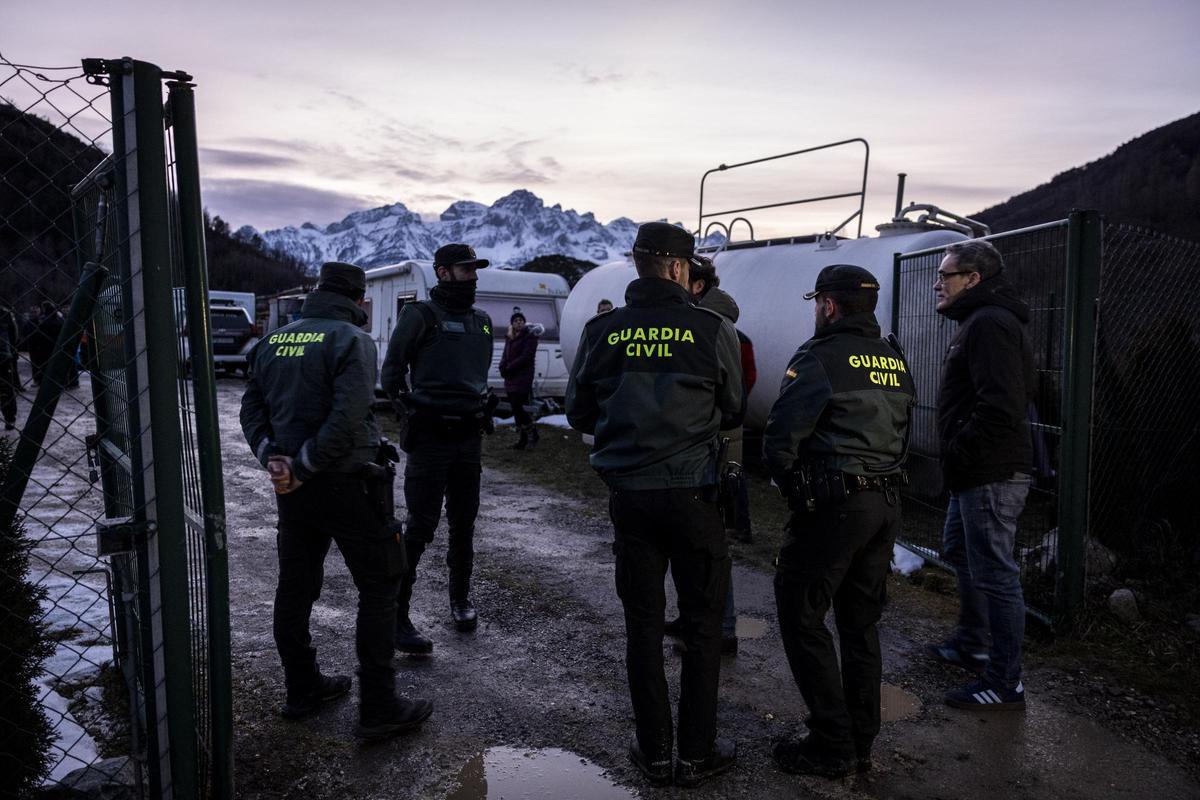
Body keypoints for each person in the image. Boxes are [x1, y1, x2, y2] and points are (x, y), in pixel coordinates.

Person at [566, 221, 744, 788]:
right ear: (676, 267)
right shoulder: (711, 328)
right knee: (701, 624)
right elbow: (734, 407)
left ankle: (654, 749)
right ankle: (696, 752)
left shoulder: (602, 331)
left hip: (632, 497)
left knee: (642, 625)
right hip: (694, 495)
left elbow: (579, 413)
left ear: (638, 264)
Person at [239, 261, 432, 740]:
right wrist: (304, 464)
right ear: (357, 297)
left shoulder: (273, 340)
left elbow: (252, 408)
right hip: (349, 483)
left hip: (294, 491)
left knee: (297, 586)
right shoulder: (352, 340)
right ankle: (379, 706)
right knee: (381, 584)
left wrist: (275, 460)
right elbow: (347, 416)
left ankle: (303, 689)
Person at [763, 264, 914, 778]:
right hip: (886, 505)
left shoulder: (821, 356)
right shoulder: (892, 358)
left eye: (816, 303)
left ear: (828, 305)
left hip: (835, 506)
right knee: (860, 623)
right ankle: (861, 739)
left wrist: (793, 489)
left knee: (801, 614)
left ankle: (831, 743)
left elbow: (781, 438)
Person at [927, 238, 1035, 710]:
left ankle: (1004, 680)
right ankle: (973, 642)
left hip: (990, 470)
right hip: (974, 470)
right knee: (958, 549)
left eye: (945, 275)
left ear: (973, 279)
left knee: (996, 573)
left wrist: (960, 447)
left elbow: (1001, 405)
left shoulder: (989, 323)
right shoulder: (979, 321)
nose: (936, 284)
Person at [382, 242, 494, 654]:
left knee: (464, 525)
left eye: (475, 269)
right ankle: (397, 613)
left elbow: (478, 374)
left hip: (468, 440)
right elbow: (391, 373)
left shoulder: (481, 321)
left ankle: (460, 600)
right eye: (466, 269)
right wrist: (409, 411)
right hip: (430, 439)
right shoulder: (420, 315)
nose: (473, 276)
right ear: (443, 272)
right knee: (421, 527)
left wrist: (481, 404)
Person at [664, 256, 753, 655]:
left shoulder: (715, 329)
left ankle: (723, 631)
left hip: (715, 450)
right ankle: (695, 621)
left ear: (697, 286)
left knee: (711, 546)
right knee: (696, 544)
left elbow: (732, 396)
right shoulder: (710, 325)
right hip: (715, 447)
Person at [498, 308, 540, 450]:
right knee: (516, 409)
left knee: (518, 406)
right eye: (516, 321)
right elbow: (505, 354)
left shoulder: (530, 336)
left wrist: (510, 367)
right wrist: (502, 367)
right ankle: (522, 439)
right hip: (510, 377)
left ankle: (532, 432)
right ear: (512, 324)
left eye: (521, 320)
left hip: (523, 376)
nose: (519, 323)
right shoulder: (510, 337)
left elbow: (527, 356)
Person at [0, 304, 18, 429]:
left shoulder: (5, 314)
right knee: (6, 388)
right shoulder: (5, 314)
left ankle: (10, 417)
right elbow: (14, 335)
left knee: (6, 388)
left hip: (3, 355)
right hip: (3, 355)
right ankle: (10, 418)